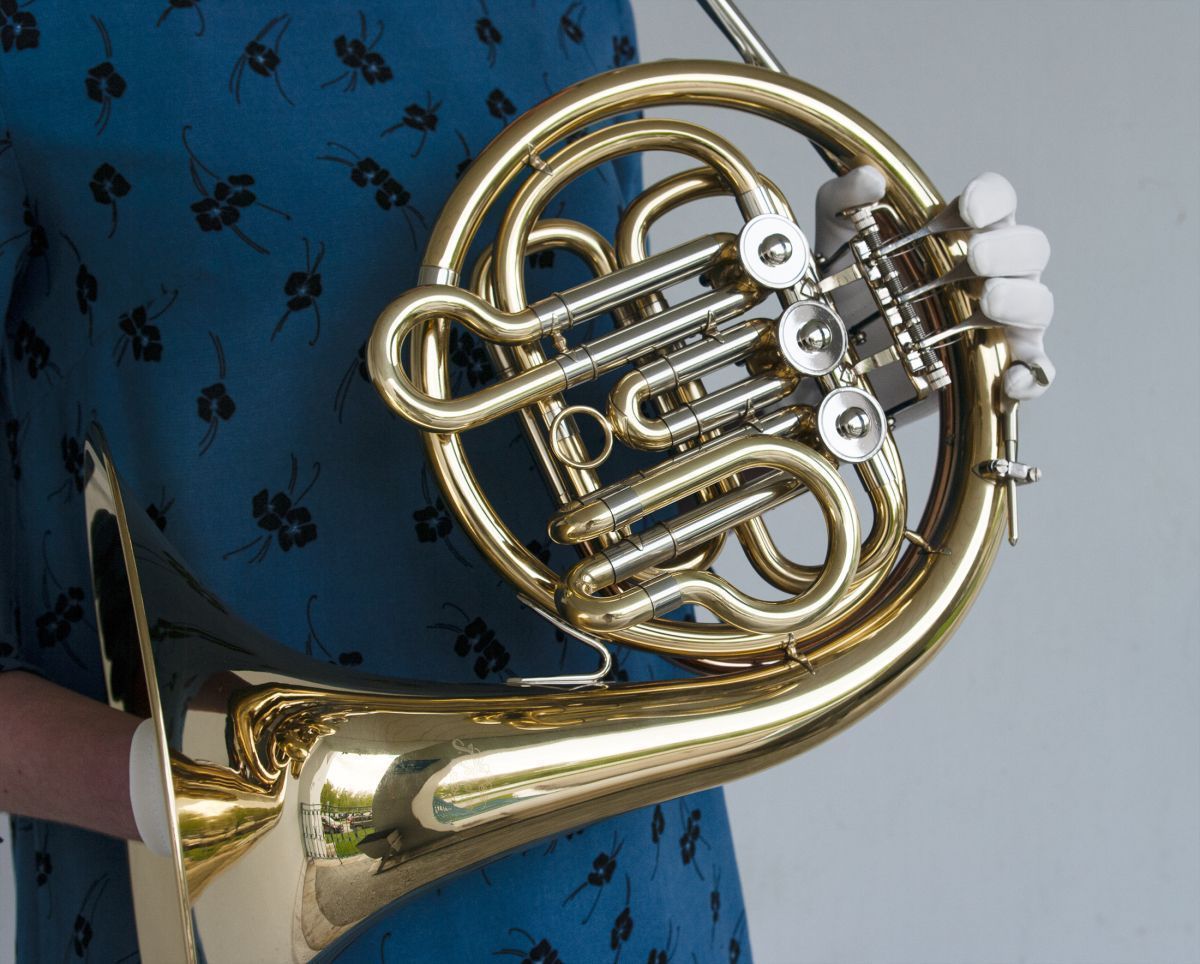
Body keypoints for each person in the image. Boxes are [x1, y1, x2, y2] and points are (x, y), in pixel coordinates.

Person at [0, 2, 1053, 962]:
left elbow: (592, 439)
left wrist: (824, 373)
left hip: (631, 884)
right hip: (210, 893)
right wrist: (189, 797)